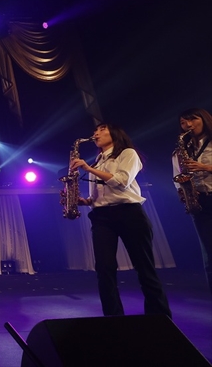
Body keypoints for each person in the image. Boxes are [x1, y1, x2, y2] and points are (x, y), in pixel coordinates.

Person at [70, 122, 172, 317]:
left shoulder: (128, 153)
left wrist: (88, 168)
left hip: (129, 213)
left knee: (144, 268)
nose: (96, 133)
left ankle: (160, 318)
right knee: (104, 269)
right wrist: (85, 201)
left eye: (102, 130)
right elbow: (101, 194)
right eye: (95, 130)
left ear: (115, 134)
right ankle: (113, 318)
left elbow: (122, 181)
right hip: (101, 216)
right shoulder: (98, 160)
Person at [172, 108, 212, 295]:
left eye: (192, 119)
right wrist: (183, 191)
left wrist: (204, 167)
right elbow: (177, 176)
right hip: (200, 201)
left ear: (204, 119)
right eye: (183, 122)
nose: (188, 125)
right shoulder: (182, 149)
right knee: (209, 253)